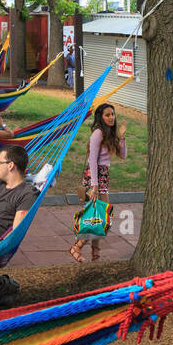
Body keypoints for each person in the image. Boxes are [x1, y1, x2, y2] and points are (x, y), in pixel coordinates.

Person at [70, 102, 126, 262]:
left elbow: (123, 155)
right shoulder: (98, 133)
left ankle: (95, 254)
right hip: (94, 176)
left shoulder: (110, 134)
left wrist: (122, 137)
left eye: (112, 114)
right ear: (100, 118)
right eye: (107, 115)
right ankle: (77, 247)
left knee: (96, 216)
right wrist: (94, 186)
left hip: (103, 176)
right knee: (102, 216)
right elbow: (92, 160)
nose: (111, 117)